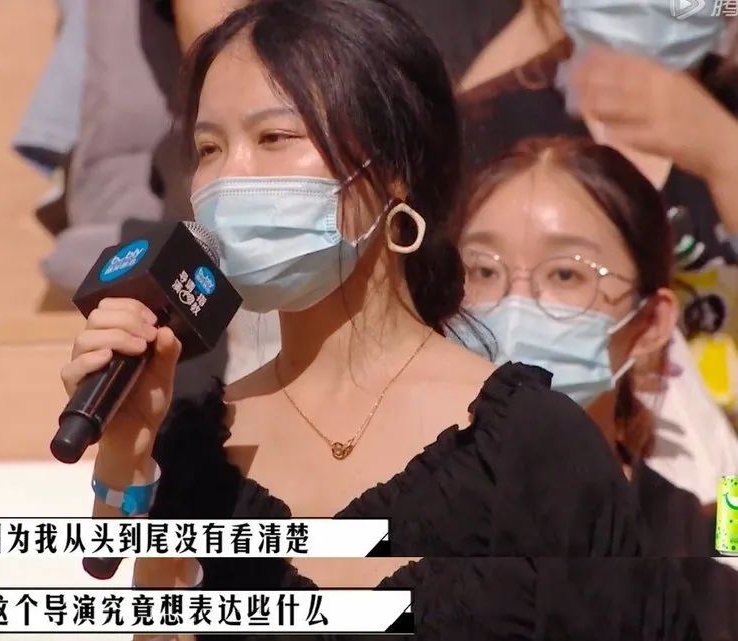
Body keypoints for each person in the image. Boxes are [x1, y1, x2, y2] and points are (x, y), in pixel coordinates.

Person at [60, 1, 699, 637]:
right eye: (208, 147)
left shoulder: (529, 443)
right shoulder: (198, 447)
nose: (231, 176)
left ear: (393, 167)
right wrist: (129, 459)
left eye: (274, 138)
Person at [448, 136, 738, 639]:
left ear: (650, 323)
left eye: (566, 274)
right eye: (482, 270)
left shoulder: (701, 550)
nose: (515, 306)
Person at [456, 0, 738, 504]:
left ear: (653, 321)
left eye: (565, 274)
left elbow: (725, 533)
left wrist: (725, 156)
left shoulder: (701, 501)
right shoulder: (492, 123)